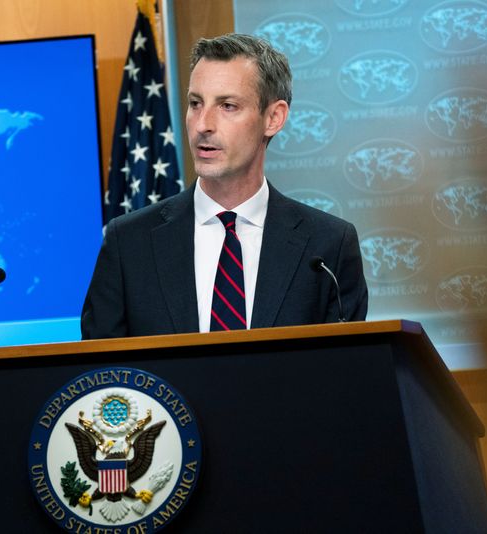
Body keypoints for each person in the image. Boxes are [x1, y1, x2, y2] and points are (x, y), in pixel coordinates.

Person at [81, 33, 367, 339]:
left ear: (273, 117)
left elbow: (344, 376)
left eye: (227, 106)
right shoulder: (128, 243)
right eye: (195, 103)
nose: (203, 124)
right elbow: (102, 378)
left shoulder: (328, 247)